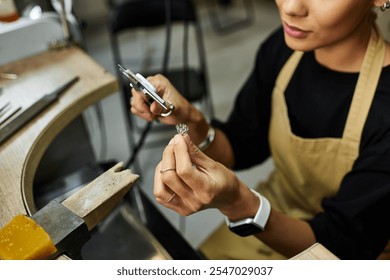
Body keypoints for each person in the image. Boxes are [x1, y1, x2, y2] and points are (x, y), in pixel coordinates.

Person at [129, 0, 390, 260]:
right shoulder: (284, 48)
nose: (290, 8)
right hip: (273, 211)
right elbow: (240, 145)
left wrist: (239, 204)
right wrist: (189, 117)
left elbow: (342, 246)